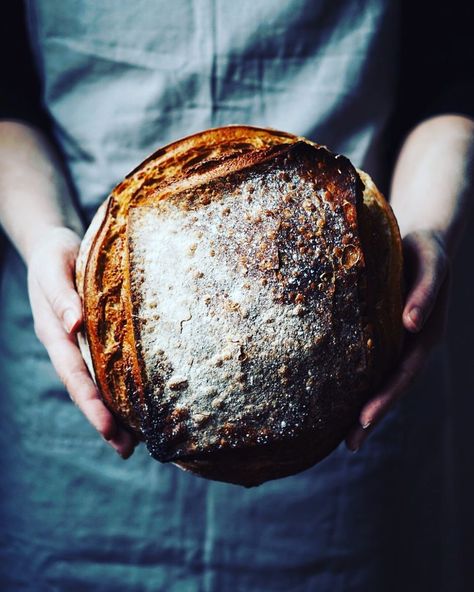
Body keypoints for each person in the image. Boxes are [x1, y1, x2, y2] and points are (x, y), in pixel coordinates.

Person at [0, 1, 473, 590]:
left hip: (357, 375)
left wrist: (425, 229)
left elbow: (452, 73)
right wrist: (45, 236)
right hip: (79, 351)